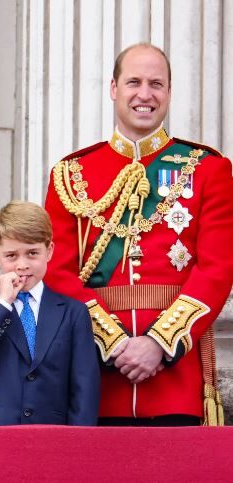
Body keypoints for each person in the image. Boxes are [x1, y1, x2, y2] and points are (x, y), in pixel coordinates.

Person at [44, 43, 233, 426]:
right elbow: (55, 270)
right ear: (114, 88)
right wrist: (113, 344)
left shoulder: (208, 169)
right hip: (96, 381)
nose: (145, 94)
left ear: (169, 92)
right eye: (134, 82)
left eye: (156, 84)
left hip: (174, 382)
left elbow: (217, 270)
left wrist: (158, 344)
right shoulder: (71, 173)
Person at [0, 201, 100, 426]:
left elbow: (84, 386)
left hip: (52, 434)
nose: (22, 265)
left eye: (32, 253)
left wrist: (78, 443)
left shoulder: (73, 313)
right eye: (11, 255)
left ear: (49, 251)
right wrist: (3, 304)